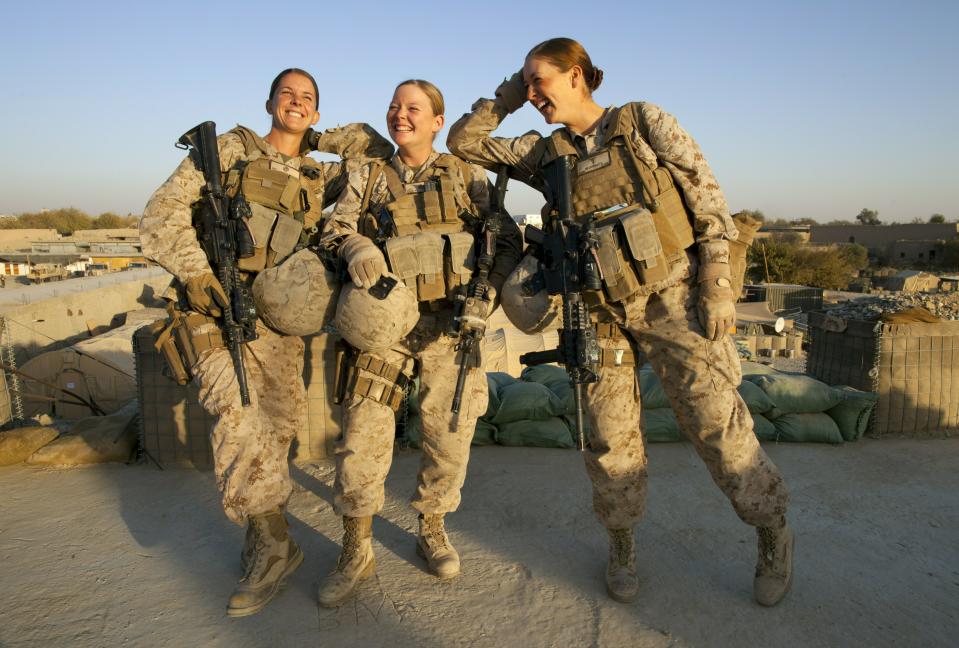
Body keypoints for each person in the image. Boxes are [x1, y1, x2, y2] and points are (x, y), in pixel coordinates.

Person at [447, 38, 793, 606]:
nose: (533, 94)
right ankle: (622, 542)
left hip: (674, 300)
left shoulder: (640, 123)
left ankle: (772, 529)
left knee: (717, 426)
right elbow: (465, 142)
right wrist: (511, 91)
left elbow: (706, 196)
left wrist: (718, 283)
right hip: (599, 313)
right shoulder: (546, 151)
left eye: (542, 82)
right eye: (526, 84)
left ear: (577, 75)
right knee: (609, 439)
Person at [139, 68, 392, 617]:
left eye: (308, 99)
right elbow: (161, 215)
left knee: (275, 427)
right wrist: (199, 276)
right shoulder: (230, 149)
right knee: (236, 416)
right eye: (287, 95)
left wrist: (315, 138)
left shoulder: (317, 174)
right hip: (214, 307)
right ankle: (271, 544)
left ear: (318, 112)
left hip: (278, 317)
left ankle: (275, 542)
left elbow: (376, 144)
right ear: (268, 102)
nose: (296, 103)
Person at [316, 79, 522, 607]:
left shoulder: (465, 177)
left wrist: (487, 297)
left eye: (414, 108)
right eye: (393, 106)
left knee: (449, 434)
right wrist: (357, 243)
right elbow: (332, 229)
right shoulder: (365, 176)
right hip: (381, 328)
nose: (400, 115)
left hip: (449, 328)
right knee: (362, 435)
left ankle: (431, 526)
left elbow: (504, 241)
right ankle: (356, 544)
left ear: (436, 121)